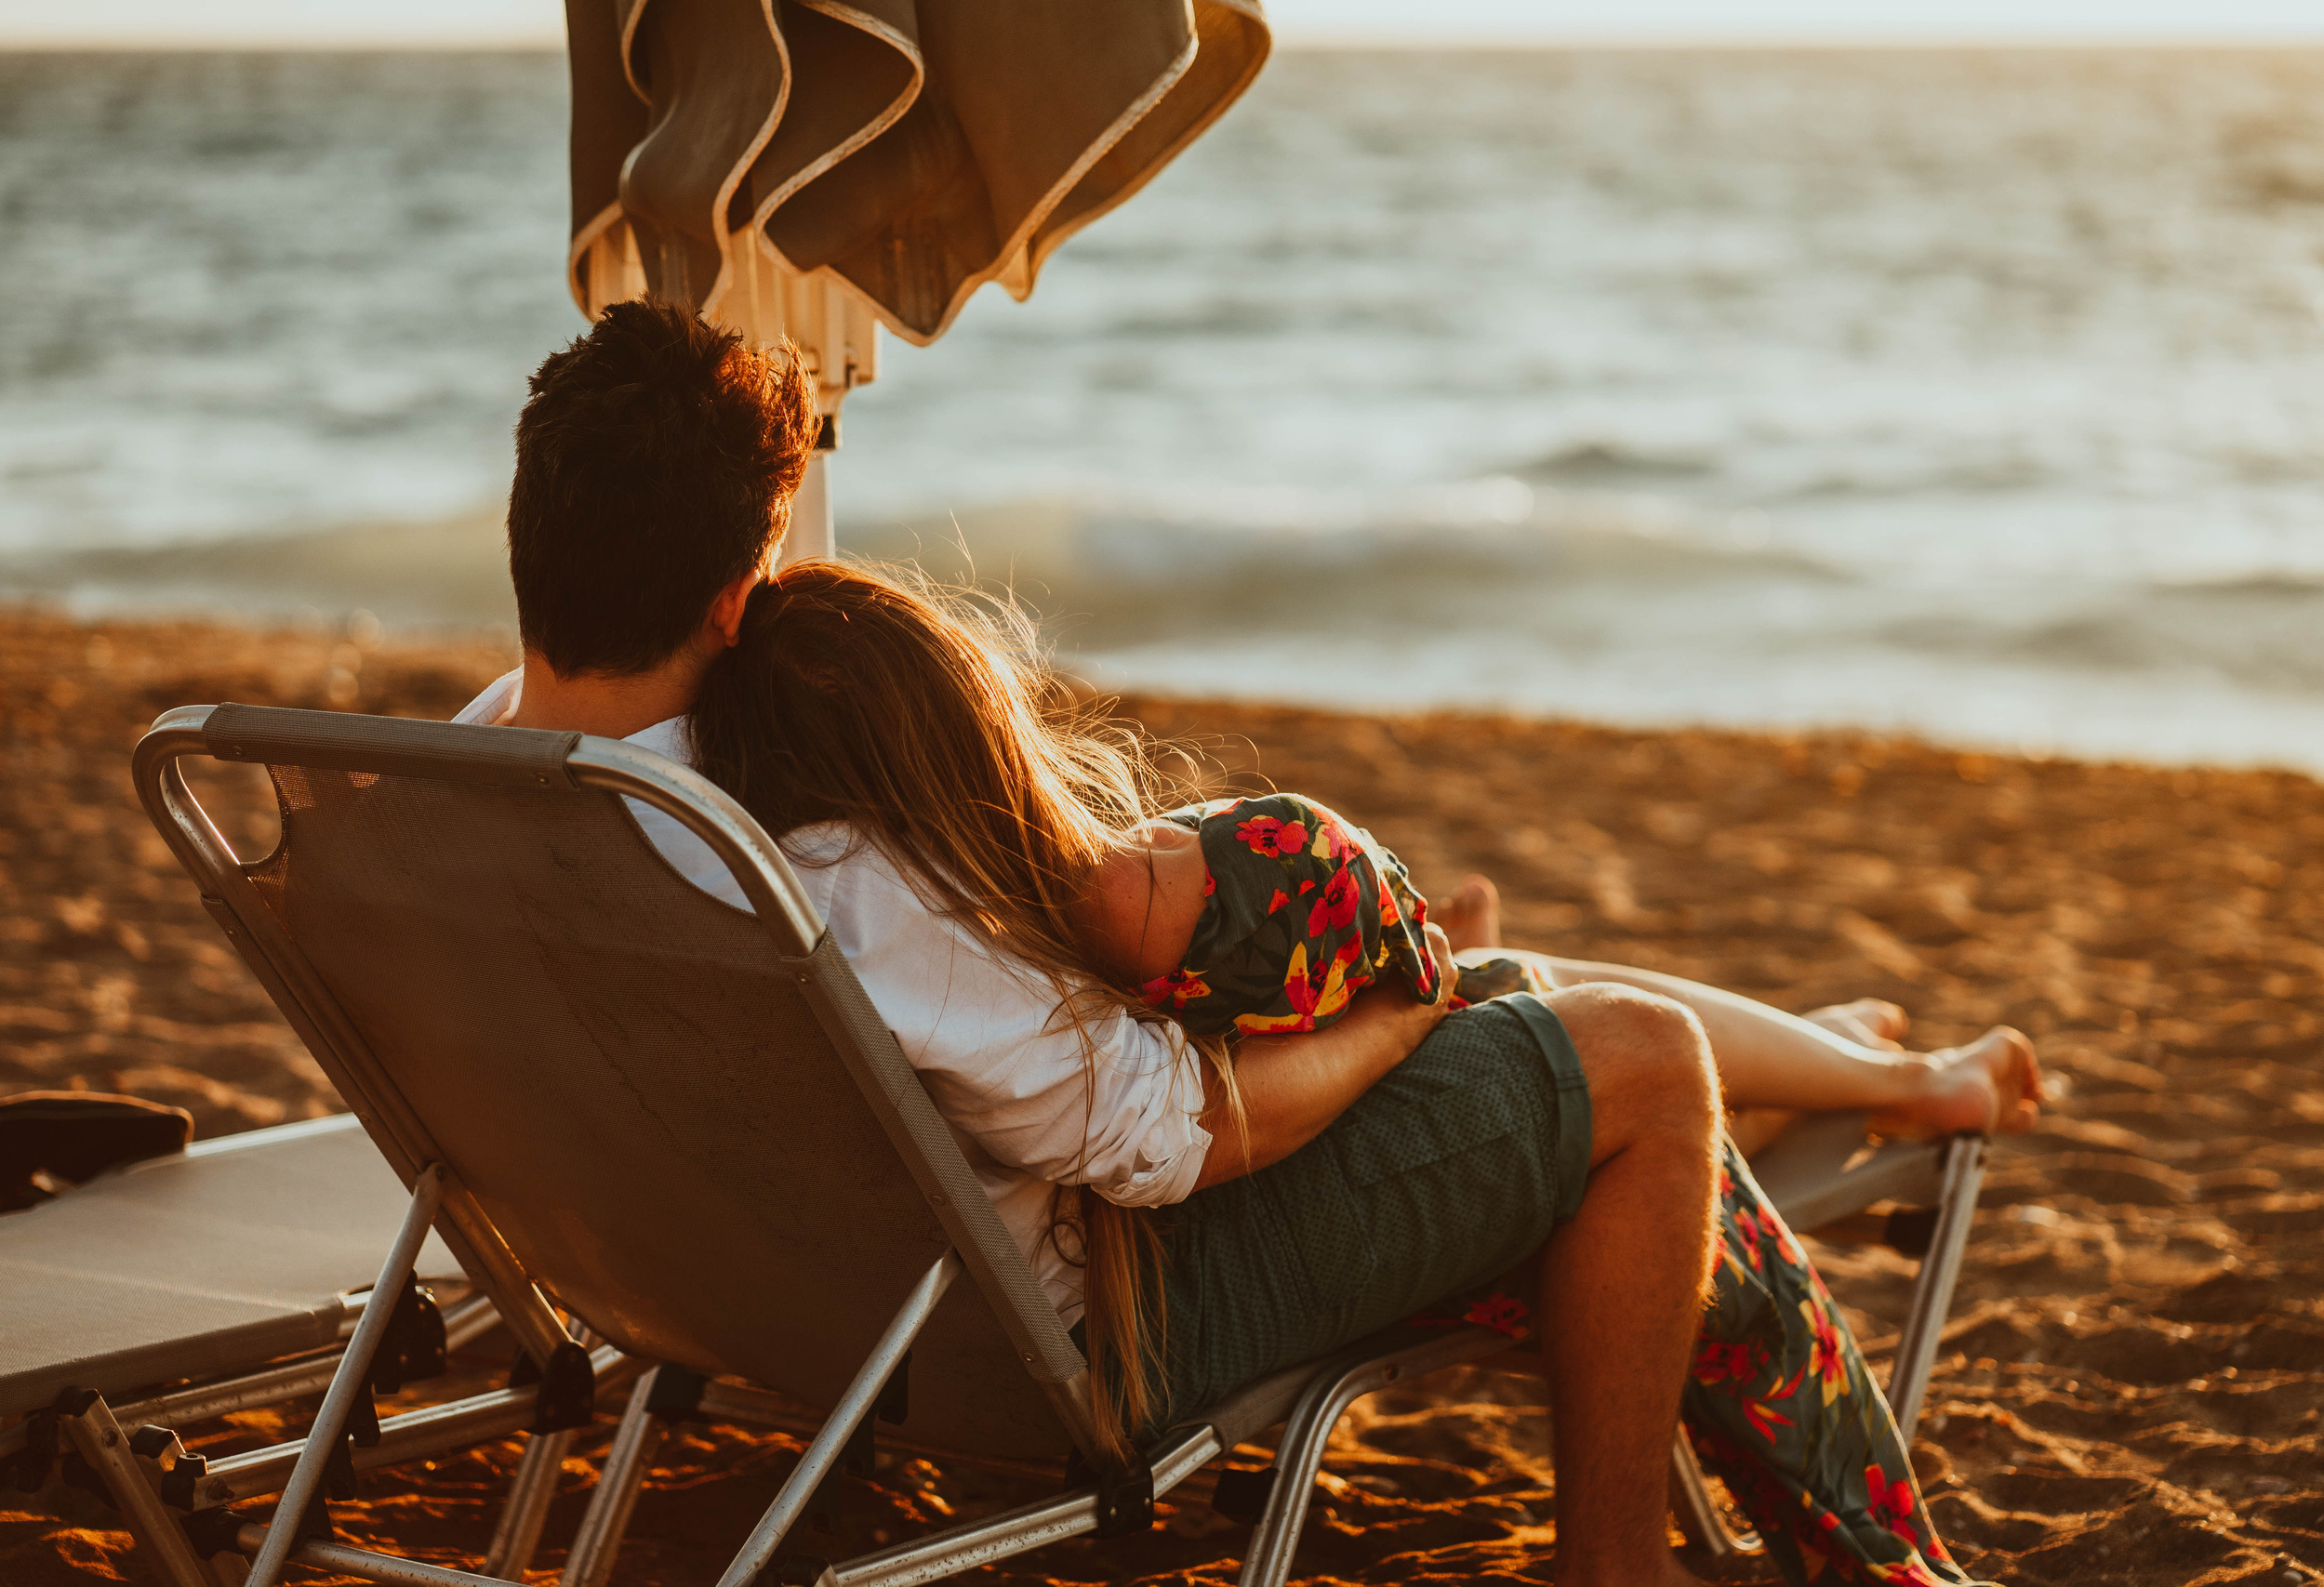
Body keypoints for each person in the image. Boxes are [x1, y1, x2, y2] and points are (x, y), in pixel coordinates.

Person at [459, 298, 2012, 1586]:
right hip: (1056, 1345)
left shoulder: (443, 784)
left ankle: (1764, 1052)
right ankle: (1620, 1564)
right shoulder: (816, 874)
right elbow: (1160, 1139)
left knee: (1524, 1002)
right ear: (740, 601)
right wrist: (1403, 1018)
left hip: (714, 1297)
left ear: (532, 533)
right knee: (1643, 1063)